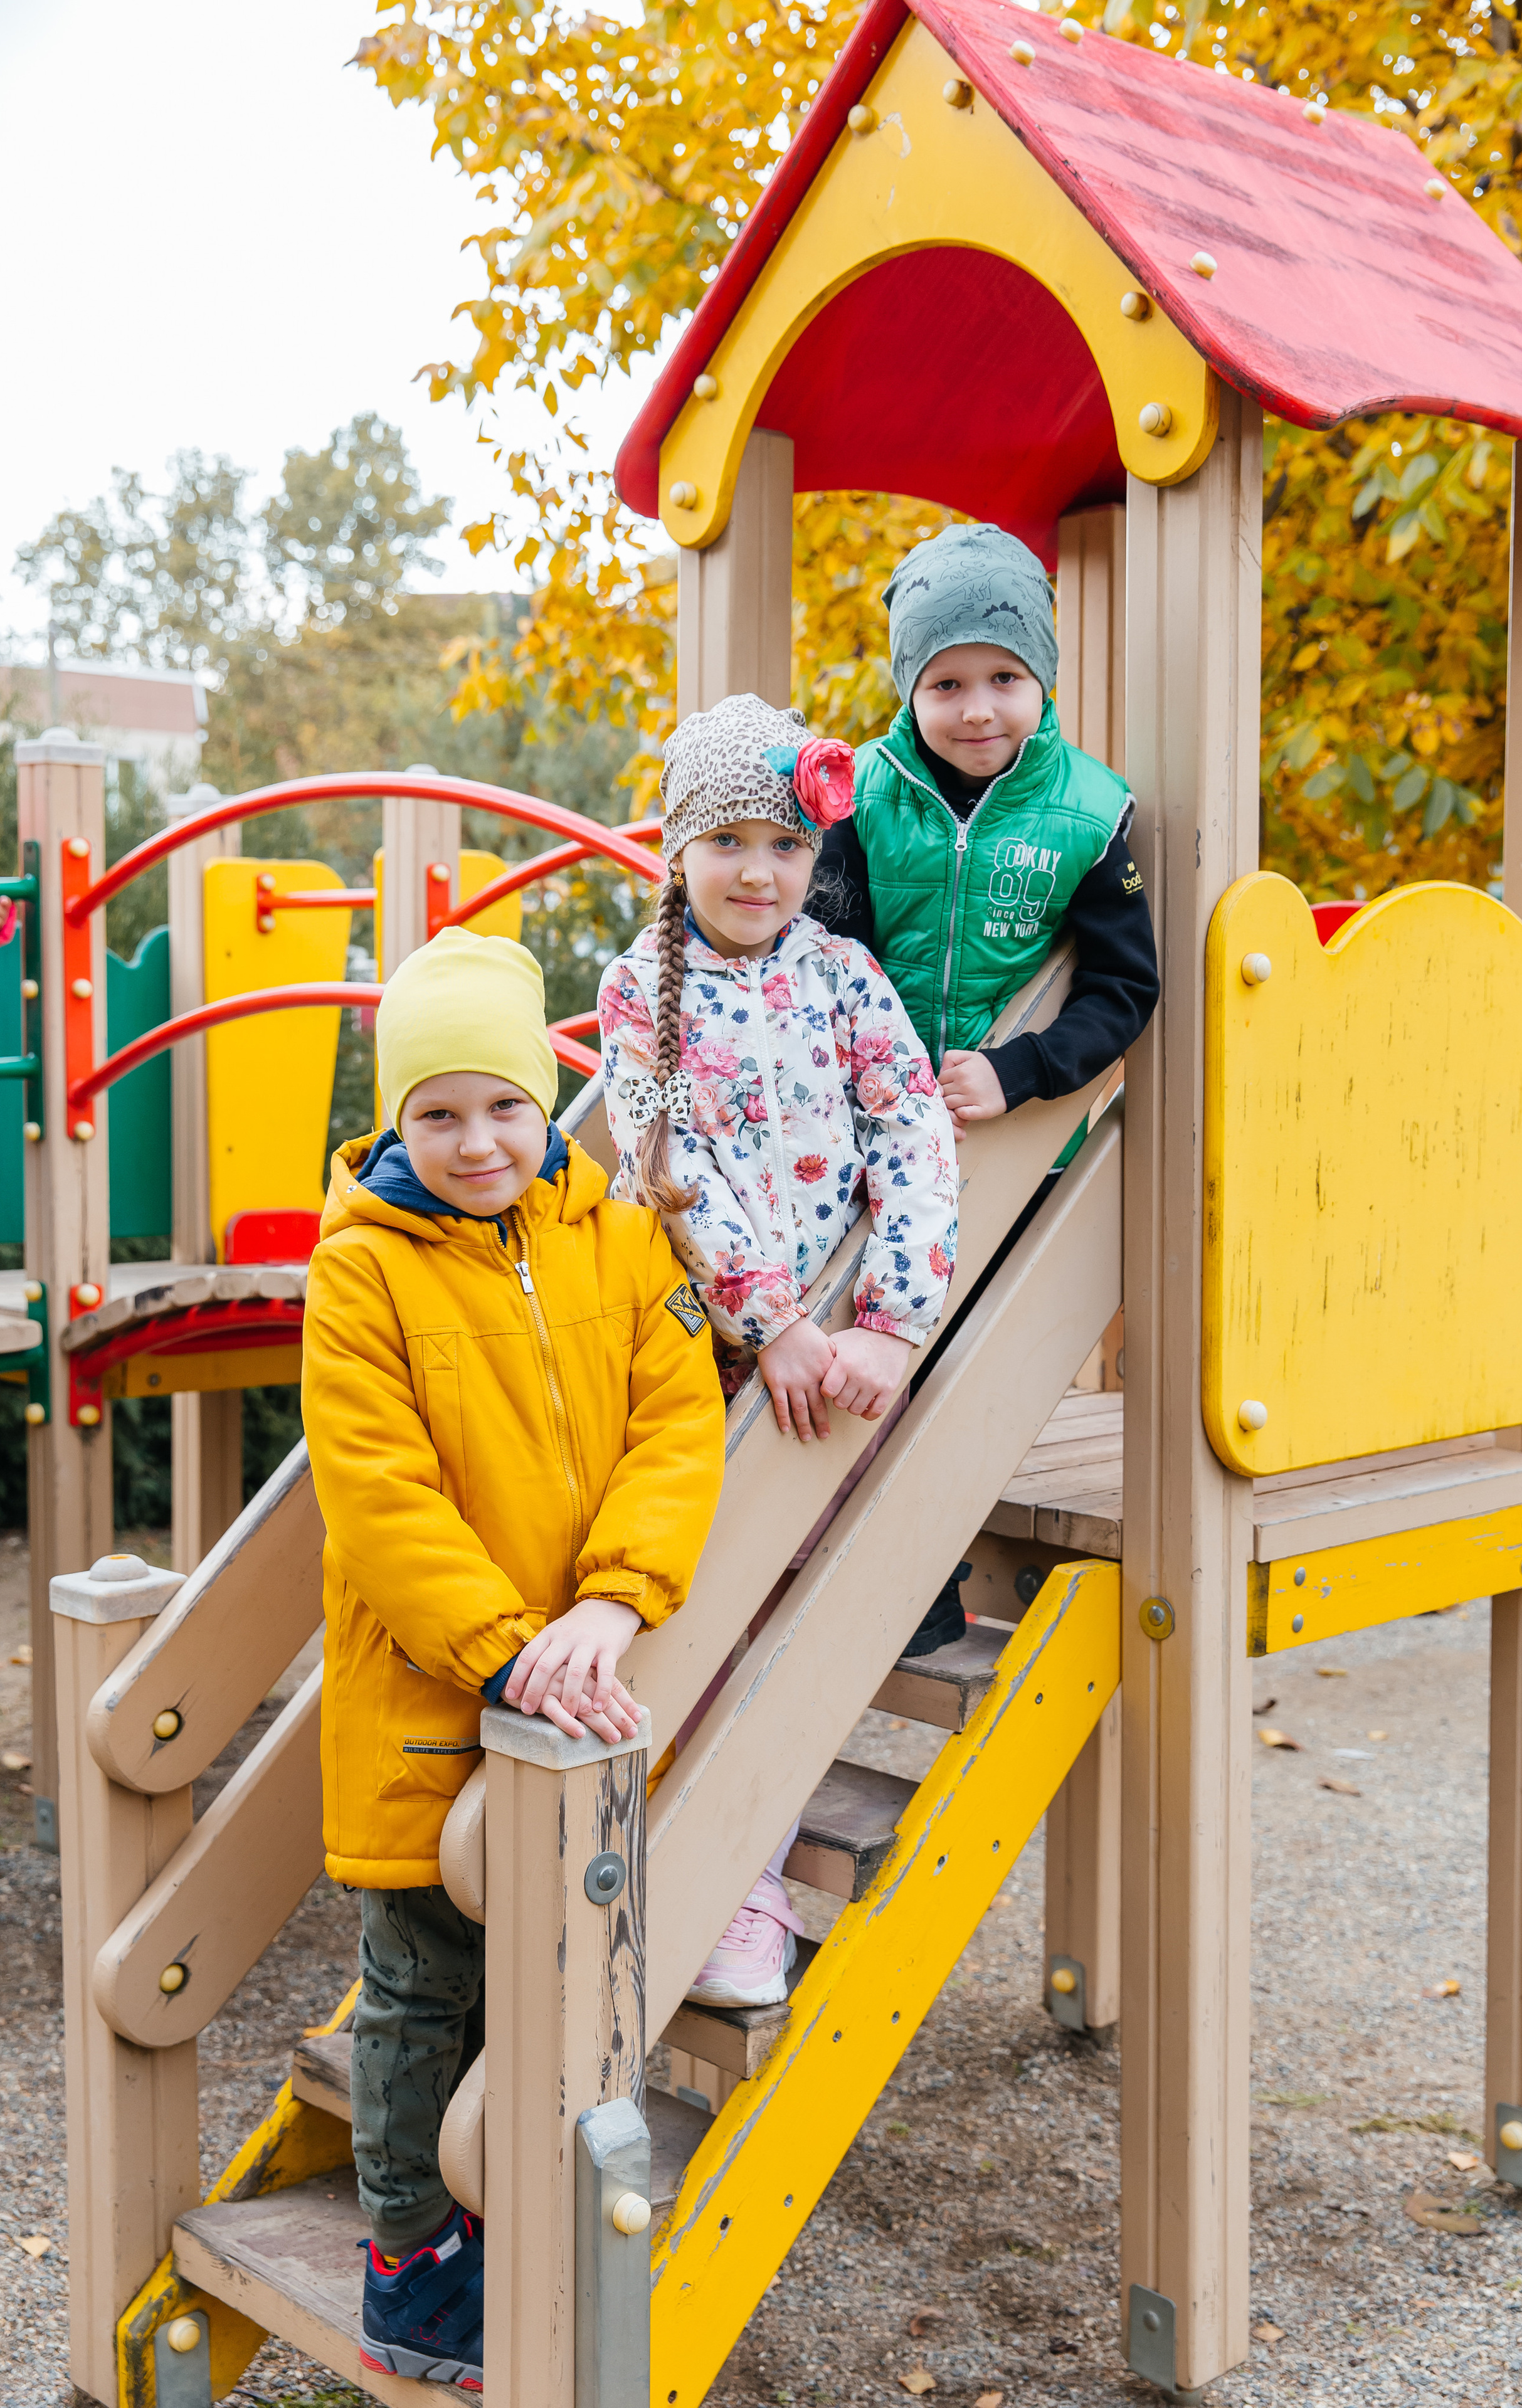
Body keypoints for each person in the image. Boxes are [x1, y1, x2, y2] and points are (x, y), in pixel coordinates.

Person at [302, 925, 725, 2390]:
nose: (475, 1140)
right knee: (424, 1986)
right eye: (436, 1112)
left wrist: (612, 1601)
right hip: (437, 1696)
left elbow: (678, 1420)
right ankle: (407, 2259)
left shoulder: (612, 1233)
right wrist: (505, 1649)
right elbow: (379, 1495)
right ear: (392, 1118)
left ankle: (510, 2222)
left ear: (549, 1095)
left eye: (501, 1103)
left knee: (540, 1979)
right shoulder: (359, 1273)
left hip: (582, 1675)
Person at [598, 690, 959, 2009]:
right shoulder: (631, 994)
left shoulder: (844, 978)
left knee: (805, 1625)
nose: (760, 874)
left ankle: (736, 1865)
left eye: (787, 848)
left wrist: (892, 1323)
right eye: (731, 844)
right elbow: (666, 1159)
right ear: (677, 850)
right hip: (712, 1362)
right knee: (713, 1613)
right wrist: (780, 1320)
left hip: (838, 1369)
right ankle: (722, 1893)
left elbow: (911, 1134)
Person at [815, 519, 1160, 1648]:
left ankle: (926, 1570)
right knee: (865, 1351)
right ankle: (857, 1573)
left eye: (1005, 678)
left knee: (961, 1360)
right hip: (866, 1135)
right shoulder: (859, 797)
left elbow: (1124, 987)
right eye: (947, 681)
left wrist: (1020, 1074)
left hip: (1009, 1149)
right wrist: (867, 1078)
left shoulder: (1088, 813)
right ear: (909, 685)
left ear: (1042, 680)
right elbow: (825, 954)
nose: (977, 709)